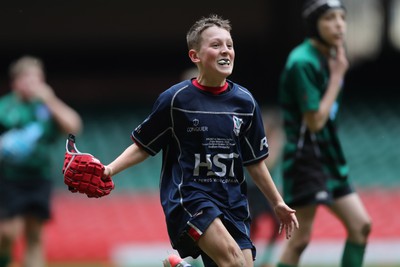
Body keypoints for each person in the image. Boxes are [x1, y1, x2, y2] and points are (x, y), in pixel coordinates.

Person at [100, 14, 298, 267]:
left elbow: (255, 162)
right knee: (234, 263)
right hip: (192, 198)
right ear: (195, 56)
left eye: (229, 44)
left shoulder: (246, 103)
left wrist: (278, 202)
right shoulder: (176, 100)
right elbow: (144, 145)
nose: (225, 50)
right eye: (216, 45)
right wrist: (109, 169)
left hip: (234, 202)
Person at [276, 1, 372, 267]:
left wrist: (336, 70)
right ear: (314, 25)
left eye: (342, 17)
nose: (339, 24)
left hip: (328, 155)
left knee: (361, 226)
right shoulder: (301, 62)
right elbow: (315, 120)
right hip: (305, 158)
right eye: (330, 18)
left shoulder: (331, 55)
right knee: (300, 239)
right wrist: (338, 76)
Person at [0, 55, 83, 267]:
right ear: (16, 82)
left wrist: (50, 99)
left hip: (39, 178)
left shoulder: (46, 108)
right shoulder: (5, 107)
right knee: (8, 233)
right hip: (9, 178)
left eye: (38, 79)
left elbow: (74, 126)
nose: (33, 84)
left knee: (34, 234)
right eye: (27, 78)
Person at [246, 107, 284, 267]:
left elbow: (270, 164)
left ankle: (264, 256)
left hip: (263, 190)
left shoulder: (273, 143)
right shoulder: (257, 140)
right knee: (251, 223)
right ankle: (250, 255)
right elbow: (265, 163)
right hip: (252, 189)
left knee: (276, 223)